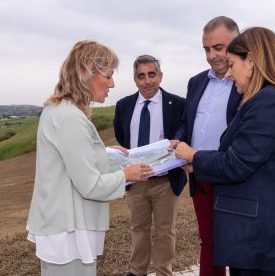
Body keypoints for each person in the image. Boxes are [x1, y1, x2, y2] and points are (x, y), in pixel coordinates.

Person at [26, 40, 153, 276]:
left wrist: (104, 153)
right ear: (87, 74)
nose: (113, 83)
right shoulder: (70, 118)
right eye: (108, 75)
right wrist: (126, 175)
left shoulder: (59, 110)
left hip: (64, 224)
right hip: (69, 230)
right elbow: (91, 186)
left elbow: (69, 160)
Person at [175, 26, 275, 276]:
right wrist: (197, 163)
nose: (228, 74)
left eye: (232, 64)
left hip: (257, 238)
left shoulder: (266, 102)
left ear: (250, 62)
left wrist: (193, 156)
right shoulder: (259, 101)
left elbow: (236, 163)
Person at [170, 16, 241, 276]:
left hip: (233, 176)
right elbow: (186, 122)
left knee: (237, 243)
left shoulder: (248, 82)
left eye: (218, 48)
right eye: (206, 49)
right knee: (209, 241)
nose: (211, 56)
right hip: (198, 175)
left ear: (237, 42)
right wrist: (180, 139)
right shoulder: (196, 81)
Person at [113, 55, 186, 276]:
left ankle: (164, 271)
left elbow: (183, 130)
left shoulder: (178, 104)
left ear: (160, 76)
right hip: (136, 182)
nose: (147, 81)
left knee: (165, 231)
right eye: (141, 76)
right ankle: (137, 272)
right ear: (135, 80)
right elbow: (122, 137)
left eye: (152, 75)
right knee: (138, 229)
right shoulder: (124, 106)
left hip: (165, 180)